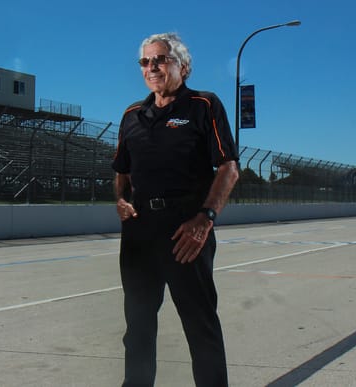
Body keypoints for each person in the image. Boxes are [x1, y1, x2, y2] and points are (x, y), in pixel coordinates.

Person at [112, 32, 239, 387]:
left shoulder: (203, 105)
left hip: (186, 229)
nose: (152, 67)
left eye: (161, 59)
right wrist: (121, 200)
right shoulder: (131, 115)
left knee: (199, 326)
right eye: (146, 61)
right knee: (137, 326)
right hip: (139, 234)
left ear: (182, 66)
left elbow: (229, 167)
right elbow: (121, 170)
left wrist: (205, 218)